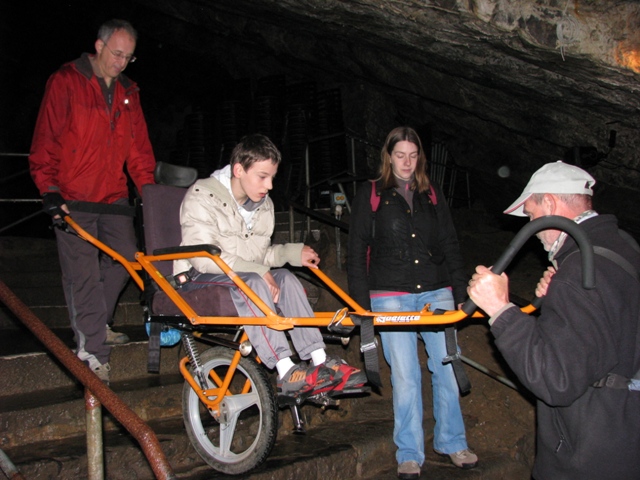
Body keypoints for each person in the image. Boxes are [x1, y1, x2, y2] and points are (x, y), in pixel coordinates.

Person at [468, 161, 640, 480]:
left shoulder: (578, 272)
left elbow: (557, 381)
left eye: (532, 214)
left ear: (549, 203)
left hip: (590, 455)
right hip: (626, 433)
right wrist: (559, 303)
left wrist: (501, 311)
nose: (532, 228)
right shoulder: (622, 247)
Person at [173, 133, 366, 396]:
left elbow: (258, 257)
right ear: (239, 170)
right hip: (196, 277)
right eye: (262, 176)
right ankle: (285, 370)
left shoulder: (263, 206)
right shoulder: (202, 196)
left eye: (272, 177)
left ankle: (321, 361)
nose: (270, 185)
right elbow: (203, 258)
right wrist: (259, 271)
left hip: (236, 275)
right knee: (251, 281)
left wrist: (291, 253)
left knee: (285, 276)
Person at [29, 19, 156, 383]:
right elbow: (46, 139)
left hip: (113, 195)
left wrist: (148, 194)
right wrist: (48, 190)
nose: (121, 63)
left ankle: (96, 320)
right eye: (117, 54)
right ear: (98, 47)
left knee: (128, 259)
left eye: (128, 57)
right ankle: (91, 351)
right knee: (82, 273)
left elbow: (139, 151)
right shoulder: (66, 81)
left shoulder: (130, 91)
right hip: (73, 196)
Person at [347, 127, 477, 479]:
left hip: (436, 291)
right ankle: (409, 452)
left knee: (447, 365)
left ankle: (451, 441)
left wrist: (461, 294)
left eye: (413, 155)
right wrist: (362, 307)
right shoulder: (371, 193)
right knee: (405, 374)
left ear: (420, 158)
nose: (406, 162)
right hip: (389, 293)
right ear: (388, 156)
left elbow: (450, 242)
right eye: (400, 154)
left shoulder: (431, 194)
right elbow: (357, 249)